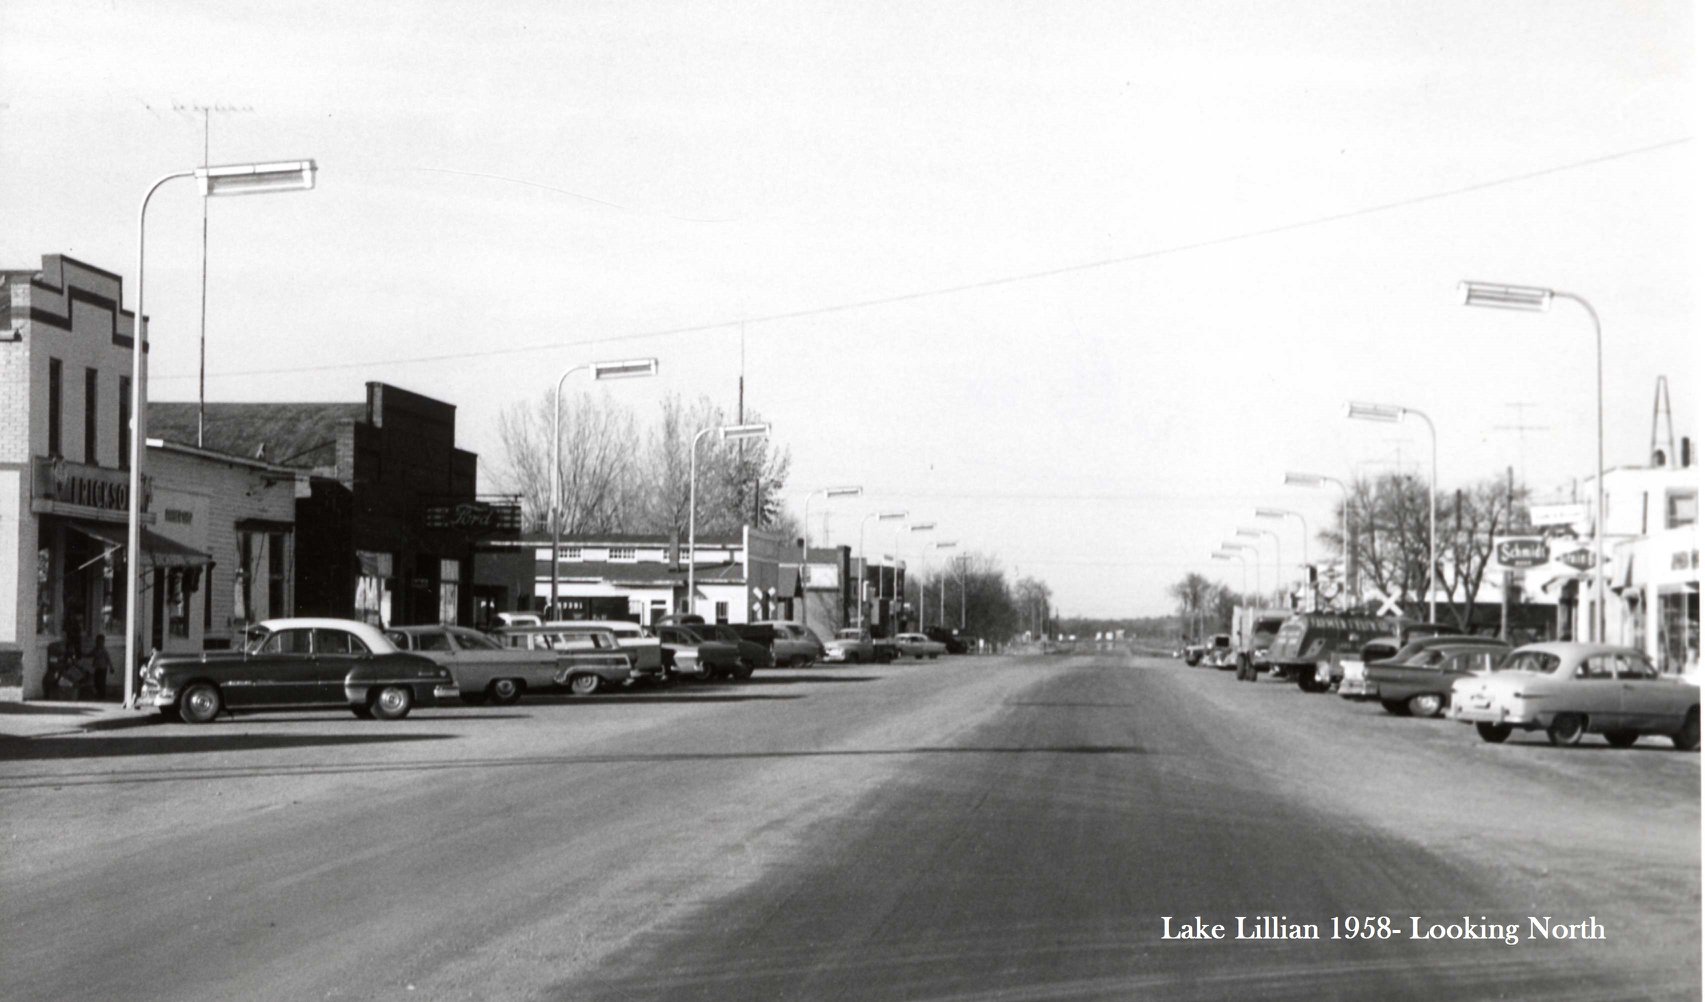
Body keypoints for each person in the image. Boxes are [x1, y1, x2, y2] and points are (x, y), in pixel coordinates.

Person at [89, 634, 112, 700]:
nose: (99, 644)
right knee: (96, 681)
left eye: (101, 642)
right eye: (98, 642)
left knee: (102, 682)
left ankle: (102, 695)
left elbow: (108, 659)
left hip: (103, 668)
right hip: (97, 668)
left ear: (103, 642)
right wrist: (83, 654)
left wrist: (111, 667)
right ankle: (98, 693)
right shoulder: (95, 650)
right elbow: (90, 654)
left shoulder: (104, 651)